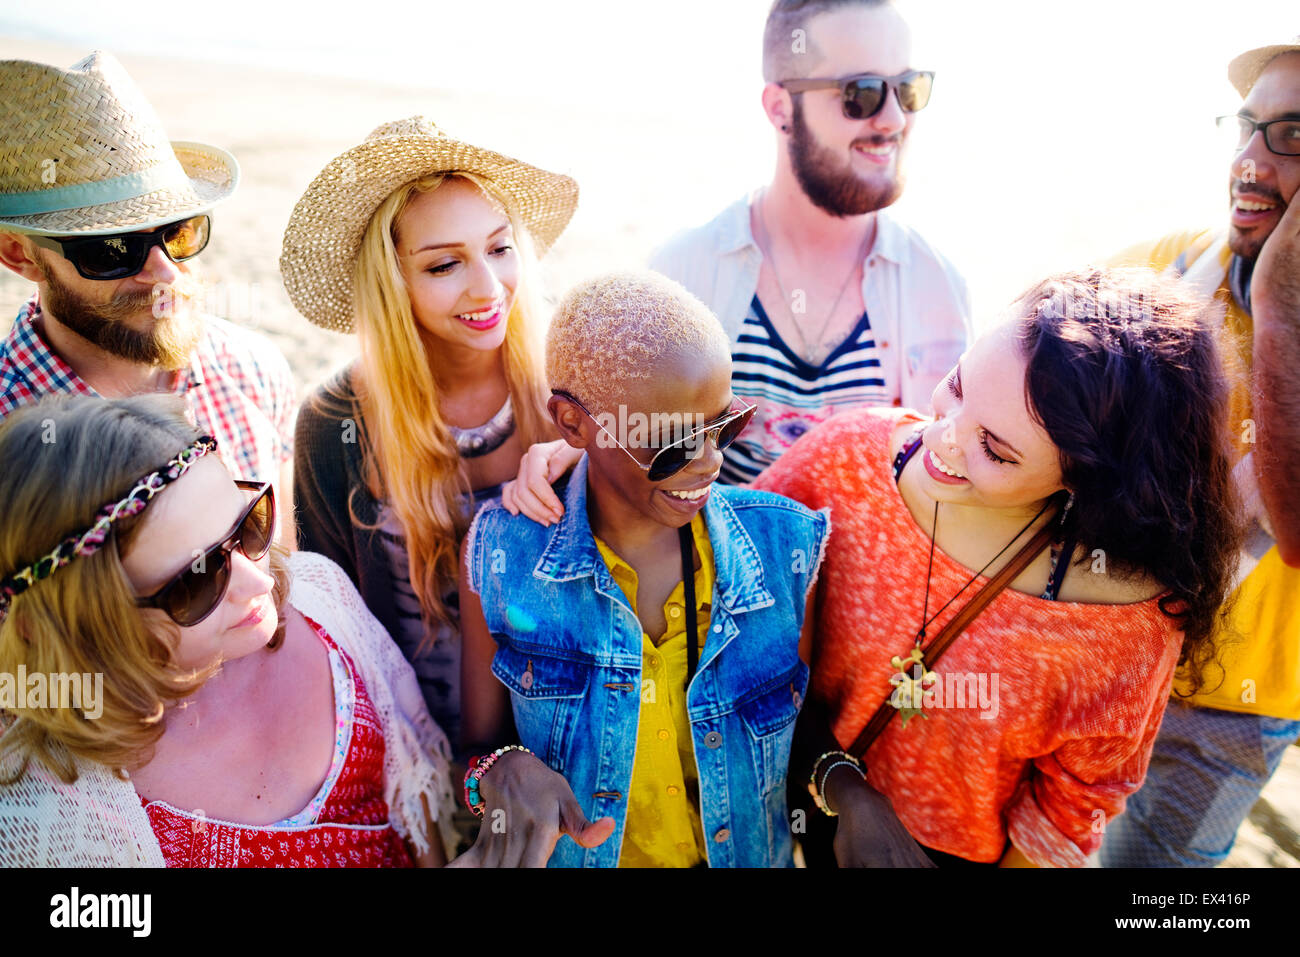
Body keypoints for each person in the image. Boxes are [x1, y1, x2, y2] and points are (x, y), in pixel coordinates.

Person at [751, 267, 1243, 867]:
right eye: (957, 386)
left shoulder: (1125, 621)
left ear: (1089, 479)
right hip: (775, 800)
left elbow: (1072, 808)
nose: (944, 438)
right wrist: (846, 791)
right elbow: (738, 632)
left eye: (995, 448)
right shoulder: (844, 462)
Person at [454, 272, 829, 867]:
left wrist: (851, 791)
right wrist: (503, 770)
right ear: (572, 424)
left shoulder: (784, 550)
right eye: (674, 442)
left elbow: (800, 728)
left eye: (724, 424)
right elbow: (475, 751)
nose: (709, 461)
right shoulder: (501, 558)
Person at [0, 394, 457, 867]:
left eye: (248, 527)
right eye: (197, 582)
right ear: (79, 628)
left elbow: (415, 804)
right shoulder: (43, 805)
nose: (259, 582)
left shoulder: (320, 599)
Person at [282, 117, 578, 743]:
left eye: (499, 248)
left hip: (572, 737)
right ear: (391, 283)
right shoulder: (335, 422)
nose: (488, 287)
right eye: (444, 264)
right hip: (410, 745)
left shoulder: (573, 380)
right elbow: (329, 621)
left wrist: (589, 459)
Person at [1099, 37, 1300, 868]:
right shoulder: (1169, 266)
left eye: (1293, 136)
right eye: (1247, 127)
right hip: (1098, 647)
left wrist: (1283, 296)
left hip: (1232, 713)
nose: (1251, 158)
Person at [649, 0, 971, 485]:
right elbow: (636, 458)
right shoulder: (681, 274)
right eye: (861, 93)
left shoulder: (939, 287)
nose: (894, 119)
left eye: (909, 89)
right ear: (781, 108)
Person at [0, 51, 296, 524]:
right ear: (19, 254)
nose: (164, 273)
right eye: (111, 249)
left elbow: (281, 558)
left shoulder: (253, 368)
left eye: (177, 234)